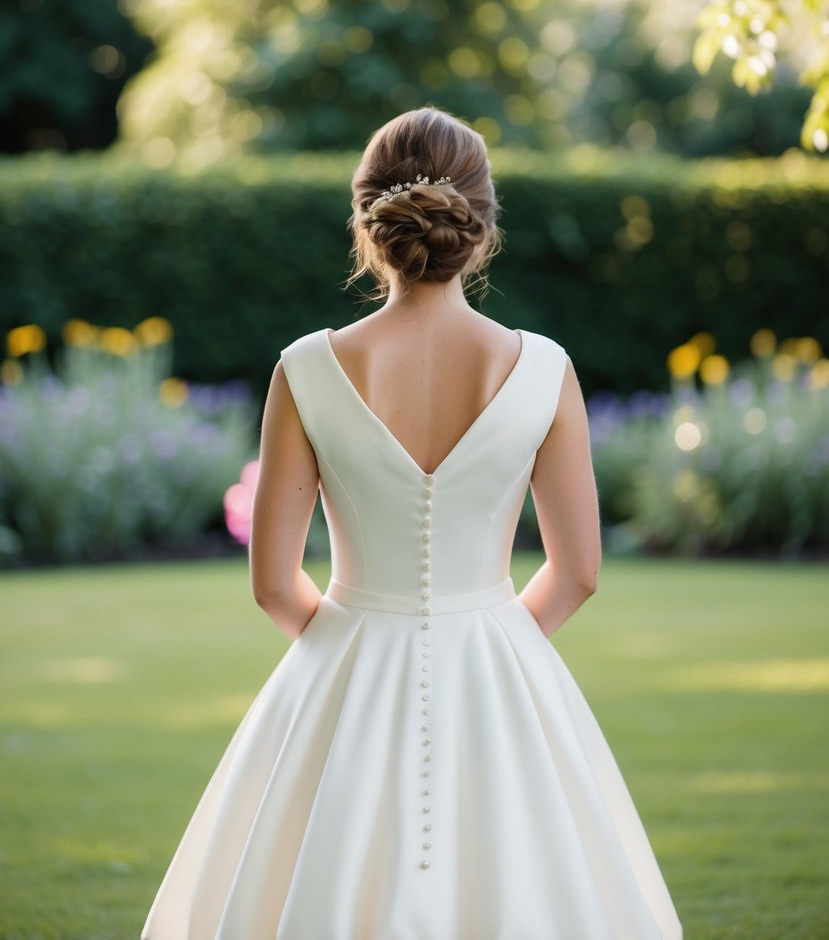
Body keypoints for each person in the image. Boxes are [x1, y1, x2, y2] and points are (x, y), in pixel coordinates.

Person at [141, 106, 683, 939]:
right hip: (500, 658)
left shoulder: (305, 370)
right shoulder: (544, 370)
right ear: (482, 221)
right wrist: (489, 643)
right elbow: (578, 572)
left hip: (343, 654)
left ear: (366, 225)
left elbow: (272, 584)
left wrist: (352, 657)